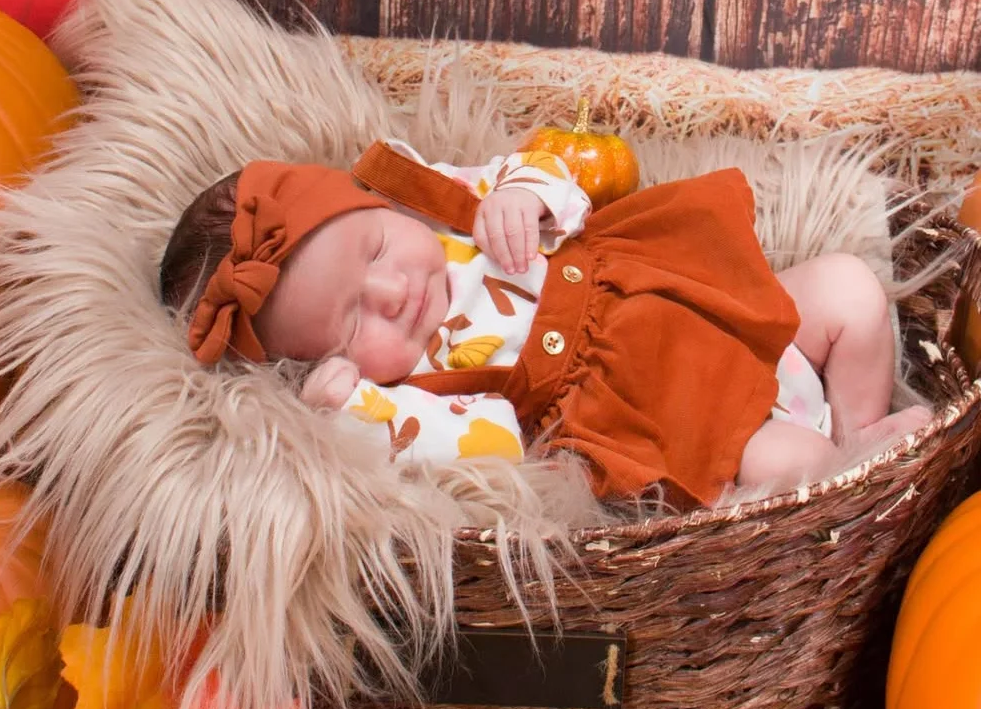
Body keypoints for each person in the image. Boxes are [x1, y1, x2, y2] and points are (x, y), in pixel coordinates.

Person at [160, 140, 929, 505]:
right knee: (794, 461)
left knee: (852, 290)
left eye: (376, 249)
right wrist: (357, 411)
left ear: (373, 205)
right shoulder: (417, 386)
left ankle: (860, 422)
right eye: (352, 320)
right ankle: (852, 461)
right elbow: (490, 441)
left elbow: (554, 174)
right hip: (676, 415)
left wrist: (521, 195)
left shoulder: (441, 203)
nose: (393, 291)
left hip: (696, 300)